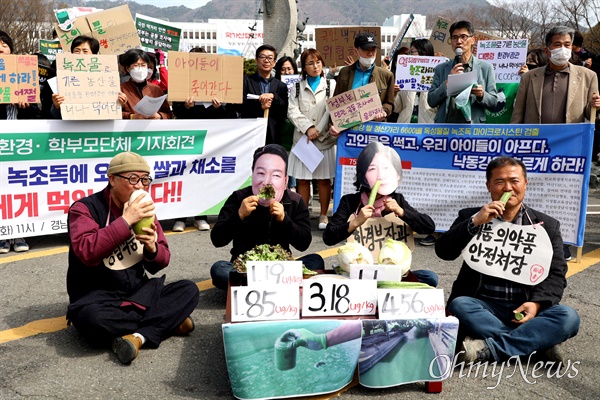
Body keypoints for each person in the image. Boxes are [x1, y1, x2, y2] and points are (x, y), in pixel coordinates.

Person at [435, 156, 580, 363]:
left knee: (568, 317)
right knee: (459, 305)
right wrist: (475, 222)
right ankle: (537, 344)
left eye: (514, 181)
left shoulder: (546, 225)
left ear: (525, 184)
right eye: (500, 182)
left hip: (526, 307)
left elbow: (556, 274)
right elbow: (444, 252)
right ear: (488, 186)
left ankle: (490, 348)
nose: (508, 188)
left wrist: (537, 304)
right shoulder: (471, 216)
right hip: (483, 305)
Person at [66, 151, 199, 364]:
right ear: (112, 179)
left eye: (145, 180)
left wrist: (151, 248)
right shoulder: (84, 209)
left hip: (138, 294)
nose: (140, 186)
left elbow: (161, 262)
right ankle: (166, 321)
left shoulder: (146, 210)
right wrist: (126, 221)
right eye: (133, 179)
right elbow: (87, 252)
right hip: (98, 298)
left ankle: (137, 337)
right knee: (92, 320)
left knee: (189, 290)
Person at [511, 26, 600, 261]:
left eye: (567, 45)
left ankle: (564, 243)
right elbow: (517, 115)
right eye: (557, 44)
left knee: (565, 196)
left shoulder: (588, 76)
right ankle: (531, 237)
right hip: (533, 148)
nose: (563, 49)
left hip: (570, 150)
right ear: (547, 49)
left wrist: (597, 108)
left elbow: (592, 118)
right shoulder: (530, 77)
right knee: (534, 193)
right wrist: (514, 143)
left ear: (573, 47)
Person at [323, 142, 438, 287]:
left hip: (392, 271)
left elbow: (429, 227)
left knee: (430, 277)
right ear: (363, 175)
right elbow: (328, 237)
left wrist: (402, 212)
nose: (381, 175)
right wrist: (355, 222)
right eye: (372, 169)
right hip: (359, 271)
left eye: (386, 169)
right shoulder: (350, 201)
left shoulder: (397, 200)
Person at [210, 144, 324, 290]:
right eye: (261, 173)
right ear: (252, 175)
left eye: (276, 175)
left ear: (285, 181)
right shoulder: (239, 198)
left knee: (315, 262)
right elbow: (217, 239)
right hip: (245, 268)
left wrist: (285, 219)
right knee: (219, 270)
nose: (267, 182)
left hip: (282, 267)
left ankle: (257, 288)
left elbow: (303, 244)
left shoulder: (295, 201)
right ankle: (279, 286)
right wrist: (238, 215)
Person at [171, 46, 226, 232]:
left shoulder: (217, 84)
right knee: (184, 176)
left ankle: (200, 215)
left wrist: (219, 107)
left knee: (203, 177)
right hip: (187, 138)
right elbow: (176, 111)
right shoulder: (181, 84)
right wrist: (186, 107)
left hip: (210, 139)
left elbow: (228, 115)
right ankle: (180, 217)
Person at [288, 49, 337, 230]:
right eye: (310, 63)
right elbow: (292, 111)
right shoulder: (297, 86)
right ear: (304, 67)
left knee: (324, 180)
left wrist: (318, 129)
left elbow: (331, 109)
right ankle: (303, 216)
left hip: (324, 140)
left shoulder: (331, 84)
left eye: (318, 62)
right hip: (304, 141)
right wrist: (308, 128)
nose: (315, 66)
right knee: (303, 180)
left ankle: (323, 215)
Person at [0, 30, 37, 254]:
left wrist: (26, 104)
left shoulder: (25, 72)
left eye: (4, 45)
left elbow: (36, 112)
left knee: (19, 187)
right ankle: (3, 234)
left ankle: (18, 232)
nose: (0, 49)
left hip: (21, 142)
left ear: (11, 49)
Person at [428, 20, 499, 123]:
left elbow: (494, 102)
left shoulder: (486, 68)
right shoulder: (441, 68)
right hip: (445, 128)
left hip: (472, 129)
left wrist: (481, 95)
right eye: (454, 37)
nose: (459, 41)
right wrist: (447, 84)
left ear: (473, 40)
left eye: (463, 37)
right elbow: (431, 101)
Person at [331, 32, 394, 124]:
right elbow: (336, 103)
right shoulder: (344, 72)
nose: (370, 54)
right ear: (356, 51)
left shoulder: (386, 75)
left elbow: (390, 103)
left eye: (373, 50)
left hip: (374, 128)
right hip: (349, 128)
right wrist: (333, 125)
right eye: (366, 50)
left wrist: (384, 111)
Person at [237, 45, 289, 144]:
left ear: (274, 63)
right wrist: (260, 106)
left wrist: (274, 96)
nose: (266, 61)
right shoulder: (246, 80)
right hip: (250, 131)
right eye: (262, 57)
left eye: (270, 58)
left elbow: (285, 108)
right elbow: (239, 106)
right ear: (256, 60)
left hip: (273, 133)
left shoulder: (281, 86)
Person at [50, 35, 101, 119]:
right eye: (77, 51)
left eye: (85, 51)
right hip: (70, 128)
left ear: (94, 54)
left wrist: (120, 102)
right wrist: (56, 106)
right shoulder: (61, 78)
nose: (80, 54)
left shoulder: (104, 78)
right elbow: (54, 115)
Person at [119, 49, 173, 120]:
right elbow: (113, 113)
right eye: (136, 65)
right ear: (128, 68)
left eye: (143, 65)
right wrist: (131, 116)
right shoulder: (121, 89)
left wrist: (159, 116)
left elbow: (168, 114)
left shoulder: (156, 89)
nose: (140, 69)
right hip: (131, 129)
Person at [274, 55, 299, 193]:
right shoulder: (275, 85)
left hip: (298, 128)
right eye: (283, 69)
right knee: (285, 159)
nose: (286, 72)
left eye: (289, 69)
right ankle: (290, 190)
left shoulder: (301, 85)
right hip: (282, 130)